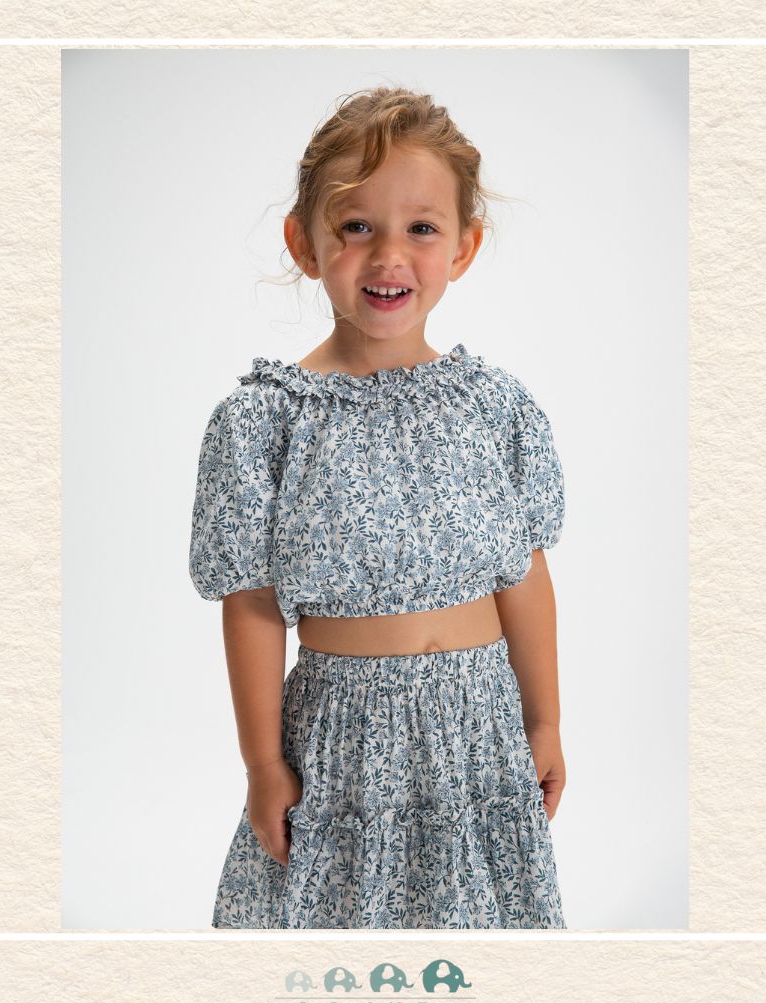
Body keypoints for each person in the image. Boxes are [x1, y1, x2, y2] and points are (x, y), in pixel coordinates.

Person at [188, 85, 568, 929]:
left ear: (463, 247)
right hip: (343, 735)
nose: (388, 255)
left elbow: (523, 572)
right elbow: (252, 603)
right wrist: (263, 765)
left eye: (420, 228)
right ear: (304, 242)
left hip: (479, 732)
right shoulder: (265, 421)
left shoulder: (494, 407)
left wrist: (543, 719)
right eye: (357, 226)